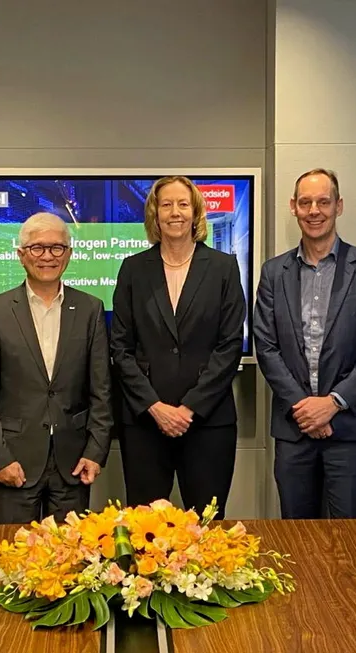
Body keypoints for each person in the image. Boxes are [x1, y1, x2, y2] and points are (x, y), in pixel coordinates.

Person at [254, 168, 356, 519]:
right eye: (305, 202)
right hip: (294, 427)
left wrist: (332, 404)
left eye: (323, 201)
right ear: (293, 207)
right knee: (298, 541)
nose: (314, 210)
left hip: (350, 428)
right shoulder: (274, 272)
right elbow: (266, 346)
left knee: (351, 544)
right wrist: (305, 408)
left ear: (338, 206)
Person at [111, 175, 246, 518]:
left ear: (196, 212)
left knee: (206, 530)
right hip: (145, 424)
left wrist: (189, 409)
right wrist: (155, 407)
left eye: (183, 204)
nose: (175, 212)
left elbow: (229, 346)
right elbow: (121, 347)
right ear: (155, 215)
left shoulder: (223, 268)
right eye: (166, 205)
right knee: (145, 533)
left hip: (207, 423)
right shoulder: (132, 269)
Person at [0, 212, 113, 524]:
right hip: (15, 461)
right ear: (22, 255)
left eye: (57, 248)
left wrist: (96, 450)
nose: (47, 256)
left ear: (69, 255)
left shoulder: (90, 309)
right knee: (15, 562)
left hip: (74, 461)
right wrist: (0, 457)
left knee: (72, 563)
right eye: (37, 248)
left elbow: (101, 390)